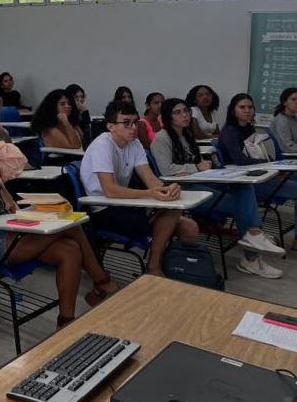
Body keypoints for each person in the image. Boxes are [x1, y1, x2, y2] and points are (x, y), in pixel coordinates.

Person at [0, 126, 119, 327]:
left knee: (70, 250)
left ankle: (65, 321)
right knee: (70, 226)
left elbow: (19, 161)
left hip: (14, 227)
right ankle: (102, 283)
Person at [151, 98, 284, 278]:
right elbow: (166, 171)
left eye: (186, 111)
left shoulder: (186, 135)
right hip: (184, 191)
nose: (185, 115)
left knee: (243, 187)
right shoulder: (161, 138)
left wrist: (205, 167)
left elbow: (196, 164)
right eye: (178, 112)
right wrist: (196, 167)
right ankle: (252, 251)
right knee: (243, 207)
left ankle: (253, 235)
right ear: (168, 116)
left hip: (199, 181)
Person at [81, 101, 199, 276]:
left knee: (190, 228)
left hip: (125, 205)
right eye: (126, 123)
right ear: (111, 126)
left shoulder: (134, 144)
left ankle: (178, 271)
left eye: (135, 122)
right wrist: (150, 193)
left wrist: (168, 188)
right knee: (174, 213)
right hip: (104, 209)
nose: (133, 127)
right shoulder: (102, 145)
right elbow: (110, 190)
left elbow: (151, 179)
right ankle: (153, 266)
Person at [218, 93, 297, 252]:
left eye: (250, 107)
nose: (247, 110)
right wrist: (271, 165)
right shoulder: (230, 131)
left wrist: (272, 166)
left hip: (261, 175)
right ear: (233, 111)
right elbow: (240, 160)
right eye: (242, 107)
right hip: (245, 182)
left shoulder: (249, 129)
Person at [271, 87, 297, 153]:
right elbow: (287, 147)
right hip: (287, 158)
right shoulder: (282, 120)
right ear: (284, 102)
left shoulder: (293, 118)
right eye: (293, 99)